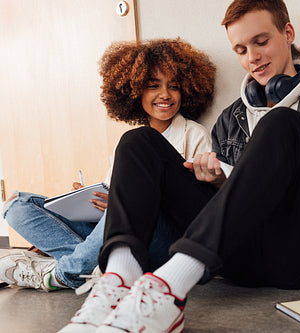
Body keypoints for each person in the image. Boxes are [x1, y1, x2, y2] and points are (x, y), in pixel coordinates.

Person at [58, 1, 300, 332]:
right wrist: (218, 181)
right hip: (241, 256)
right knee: (138, 142)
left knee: (283, 122)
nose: (252, 57)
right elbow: (234, 200)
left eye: (261, 41)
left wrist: (296, 162)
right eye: (241, 49)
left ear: (288, 34)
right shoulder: (231, 118)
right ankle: (119, 280)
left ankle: (169, 288)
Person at [0, 38, 216, 292]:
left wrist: (120, 206)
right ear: (135, 91)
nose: (165, 95)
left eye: (174, 86)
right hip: (114, 229)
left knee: (117, 215)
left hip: (160, 236)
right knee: (17, 205)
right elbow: (114, 196)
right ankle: (96, 267)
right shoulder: (129, 143)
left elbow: (193, 207)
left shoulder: (195, 135)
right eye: (153, 85)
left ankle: (60, 274)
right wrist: (85, 197)